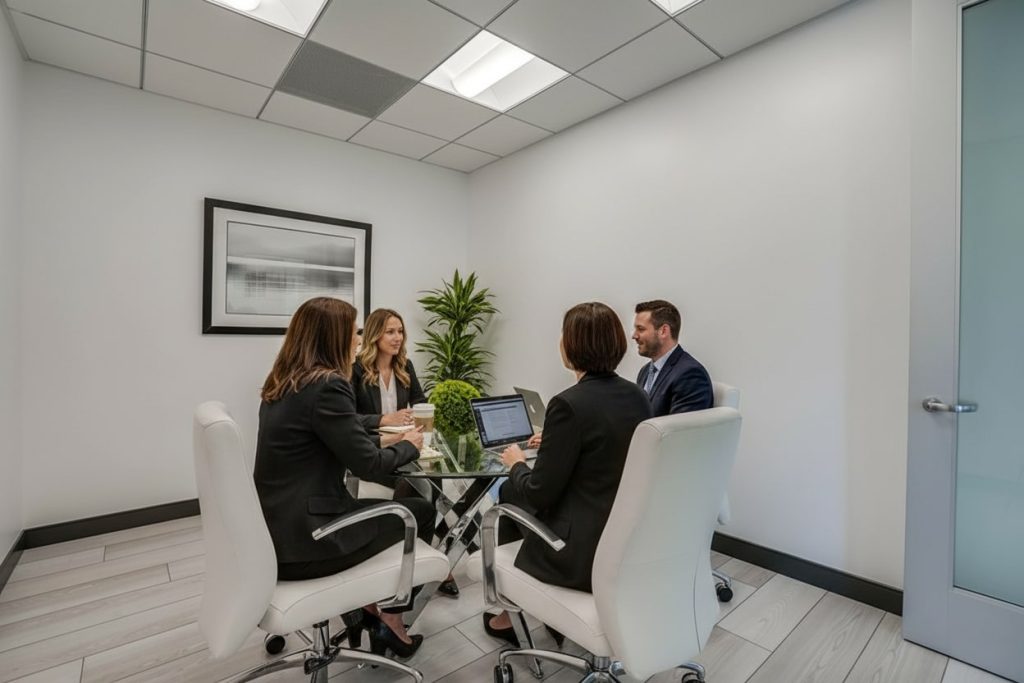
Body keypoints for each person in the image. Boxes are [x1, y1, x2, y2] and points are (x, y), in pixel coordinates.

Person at [253, 297, 436, 659]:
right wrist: (411, 446)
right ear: (332, 337)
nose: (357, 339)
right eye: (352, 332)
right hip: (311, 540)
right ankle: (391, 620)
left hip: (275, 532)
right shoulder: (328, 386)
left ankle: (365, 607)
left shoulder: (284, 383)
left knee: (391, 504)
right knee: (420, 512)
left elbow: (335, 438)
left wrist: (388, 440)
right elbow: (369, 466)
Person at [483, 302, 652, 646]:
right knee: (515, 492)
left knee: (510, 492)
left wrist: (516, 462)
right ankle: (530, 613)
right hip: (625, 540)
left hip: (578, 553)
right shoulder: (637, 396)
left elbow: (539, 492)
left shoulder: (567, 403)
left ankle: (511, 611)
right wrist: (557, 440)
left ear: (573, 344)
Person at [632, 299, 712, 416]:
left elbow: (681, 426)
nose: (634, 335)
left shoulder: (690, 375)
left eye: (641, 329)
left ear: (663, 331)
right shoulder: (645, 371)